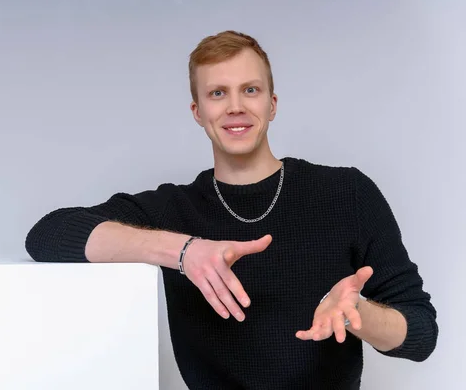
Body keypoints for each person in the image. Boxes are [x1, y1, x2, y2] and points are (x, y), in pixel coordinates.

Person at [25, 30, 438, 389]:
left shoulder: (347, 192)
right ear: (198, 112)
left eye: (250, 90)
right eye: (217, 93)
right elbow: (47, 234)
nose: (235, 106)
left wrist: (358, 314)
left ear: (272, 105)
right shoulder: (173, 210)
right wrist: (184, 252)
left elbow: (421, 332)